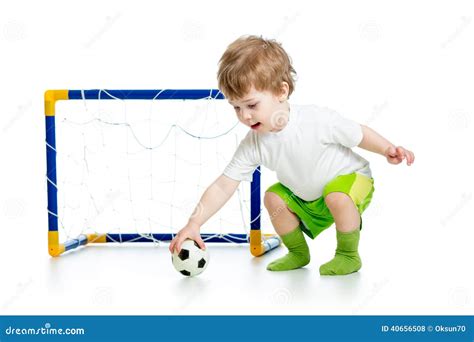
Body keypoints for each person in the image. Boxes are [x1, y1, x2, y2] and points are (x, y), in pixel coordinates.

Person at [169, 35, 415, 275]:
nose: (245, 116)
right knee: (273, 198)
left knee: (337, 195)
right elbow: (224, 185)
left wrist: (387, 149)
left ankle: (348, 255)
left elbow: (358, 133)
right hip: (310, 199)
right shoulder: (254, 143)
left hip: (352, 182)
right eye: (236, 107)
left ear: (281, 91)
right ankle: (298, 252)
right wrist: (195, 223)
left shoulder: (316, 120)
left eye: (251, 105)